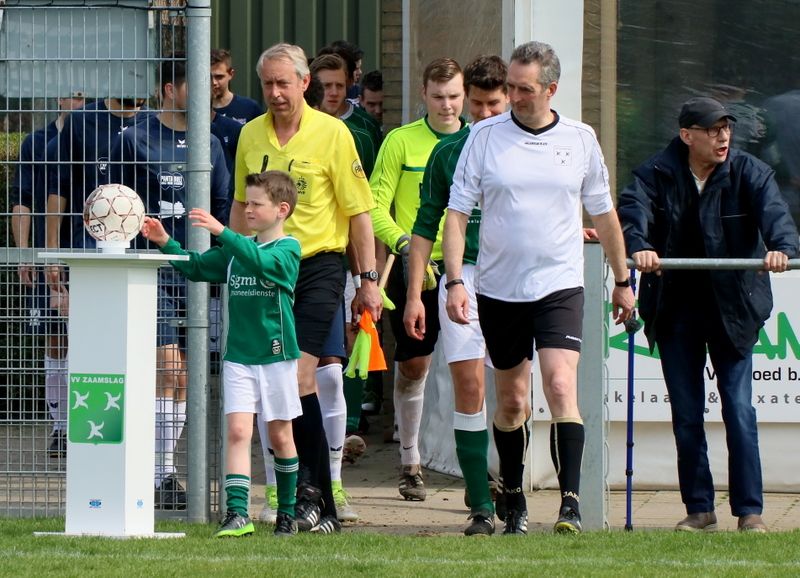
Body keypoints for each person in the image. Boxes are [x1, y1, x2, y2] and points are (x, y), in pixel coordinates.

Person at [443, 41, 634, 535]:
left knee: (561, 384)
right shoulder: (483, 137)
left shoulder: (580, 138)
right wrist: (457, 282)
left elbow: (605, 215)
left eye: (524, 89)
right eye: (510, 87)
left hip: (560, 284)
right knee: (512, 403)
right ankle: (515, 499)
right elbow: (457, 215)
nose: (513, 96)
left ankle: (570, 506)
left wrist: (622, 280)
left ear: (551, 89)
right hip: (500, 288)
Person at [617, 96, 799, 534]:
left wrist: (783, 250)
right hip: (675, 309)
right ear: (687, 135)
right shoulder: (654, 173)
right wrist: (638, 246)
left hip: (733, 309)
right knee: (685, 412)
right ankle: (699, 509)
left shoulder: (750, 171)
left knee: (739, 409)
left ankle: (749, 511)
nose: (723, 137)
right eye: (713, 129)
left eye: (726, 129)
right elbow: (631, 215)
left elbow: (778, 218)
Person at [229, 43, 381, 534]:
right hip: (264, 273)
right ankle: (305, 499)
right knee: (286, 386)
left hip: (317, 268)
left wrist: (368, 281)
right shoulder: (251, 135)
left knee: (298, 380)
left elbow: (358, 212)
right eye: (267, 84)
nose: (275, 93)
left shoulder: (334, 134)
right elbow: (240, 209)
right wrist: (231, 267)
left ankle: (315, 493)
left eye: (283, 83)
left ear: (303, 84)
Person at [142, 170, 302, 538]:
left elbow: (262, 264)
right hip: (238, 357)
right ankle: (237, 514)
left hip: (277, 355)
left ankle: (287, 514)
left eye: (256, 204)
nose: (247, 209)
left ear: (281, 209)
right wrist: (166, 242)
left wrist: (221, 231)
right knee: (237, 431)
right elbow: (197, 268)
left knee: (279, 437)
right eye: (245, 202)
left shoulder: (288, 248)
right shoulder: (235, 248)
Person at [109, 55, 230, 510]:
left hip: (194, 269)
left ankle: (163, 470)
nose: (205, 96)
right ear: (168, 90)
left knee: (186, 378)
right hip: (151, 272)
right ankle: (160, 475)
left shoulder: (211, 144)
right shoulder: (134, 138)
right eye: (193, 87)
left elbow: (220, 205)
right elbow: (113, 205)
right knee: (169, 367)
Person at [403, 55, 508, 535]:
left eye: (494, 104)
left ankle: (511, 487)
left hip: (516, 279)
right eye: (478, 104)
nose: (485, 114)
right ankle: (481, 506)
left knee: (514, 396)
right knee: (470, 388)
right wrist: (412, 294)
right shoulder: (449, 154)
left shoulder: (529, 149)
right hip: (461, 278)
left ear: (511, 100)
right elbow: (425, 226)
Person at [370, 56, 465, 501]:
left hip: (471, 268)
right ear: (423, 95)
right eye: (438, 96)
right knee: (415, 365)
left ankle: (484, 470)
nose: (447, 105)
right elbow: (373, 204)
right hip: (415, 268)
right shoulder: (399, 141)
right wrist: (405, 242)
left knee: (479, 369)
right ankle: (410, 461)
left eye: (454, 96)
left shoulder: (478, 139)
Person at [10, 92, 85, 457]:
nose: (78, 101)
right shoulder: (36, 143)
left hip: (89, 255)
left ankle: (89, 424)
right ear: (59, 98)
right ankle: (61, 427)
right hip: (47, 254)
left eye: (84, 95)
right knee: (56, 340)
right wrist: (25, 251)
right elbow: (21, 198)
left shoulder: (102, 136)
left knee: (90, 339)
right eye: (72, 95)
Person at [211, 48, 264, 125]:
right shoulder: (196, 112)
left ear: (231, 74)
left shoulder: (250, 108)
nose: (214, 82)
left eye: (219, 77)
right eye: (208, 77)